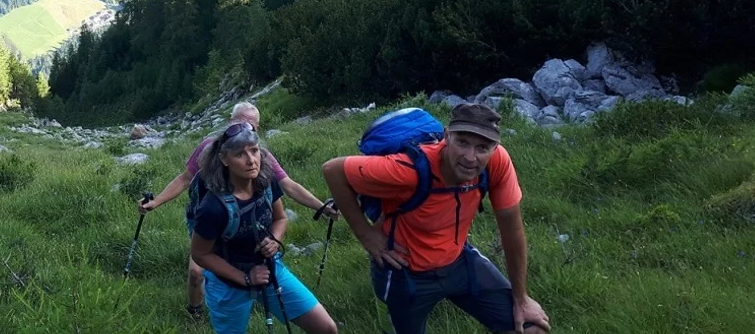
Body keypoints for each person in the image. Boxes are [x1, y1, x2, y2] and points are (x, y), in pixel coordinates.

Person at [321, 103, 551, 334]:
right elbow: (333, 170)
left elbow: (512, 231)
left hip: (459, 260)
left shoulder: (497, 162)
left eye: (482, 147)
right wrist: (366, 235)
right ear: (447, 136)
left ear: (494, 147)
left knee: (532, 329)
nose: (470, 157)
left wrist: (521, 299)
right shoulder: (407, 169)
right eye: (462, 142)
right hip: (404, 271)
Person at [138, 102, 337, 318]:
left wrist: (321, 207)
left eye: (250, 125)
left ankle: (252, 298)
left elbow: (287, 185)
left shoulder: (260, 157)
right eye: (239, 122)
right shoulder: (209, 148)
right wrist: (155, 202)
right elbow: (185, 178)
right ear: (229, 124)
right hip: (209, 221)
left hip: (246, 222)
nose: (244, 129)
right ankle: (195, 312)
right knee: (197, 272)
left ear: (257, 130)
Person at [190, 121, 338, 334]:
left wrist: (275, 241)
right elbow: (200, 254)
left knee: (326, 328)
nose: (251, 160)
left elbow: (280, 219)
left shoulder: (265, 182)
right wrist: (245, 278)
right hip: (228, 285)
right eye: (240, 154)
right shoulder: (212, 207)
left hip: (270, 269)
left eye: (254, 151)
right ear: (224, 159)